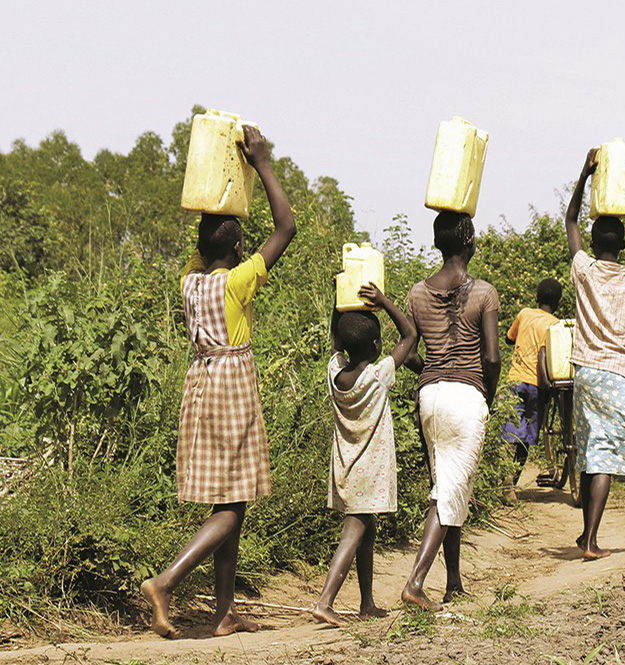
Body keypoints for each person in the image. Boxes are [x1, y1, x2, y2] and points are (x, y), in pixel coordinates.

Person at [141, 125, 296, 638]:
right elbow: (286, 227)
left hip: (200, 384)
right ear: (237, 244)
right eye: (239, 236)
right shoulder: (238, 282)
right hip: (232, 385)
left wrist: (217, 181)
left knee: (227, 501)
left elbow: (207, 238)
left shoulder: (191, 277)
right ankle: (166, 582)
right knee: (233, 506)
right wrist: (262, 164)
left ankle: (224, 610)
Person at [563, 148, 625, 560]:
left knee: (591, 449)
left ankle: (585, 533)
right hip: (618, 374)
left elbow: (570, 220)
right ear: (622, 243)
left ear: (596, 241)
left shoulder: (583, 270)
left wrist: (584, 176)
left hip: (585, 371)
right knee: (602, 454)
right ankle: (590, 541)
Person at [400, 211, 500, 611]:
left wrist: (430, 370)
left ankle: (454, 581)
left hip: (430, 397)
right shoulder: (484, 293)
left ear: (437, 243)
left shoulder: (417, 293)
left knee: (448, 485)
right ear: (471, 241)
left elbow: (407, 348)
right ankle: (415, 581)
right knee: (448, 490)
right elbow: (491, 358)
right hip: (465, 396)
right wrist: (486, 396)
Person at [312, 283, 416, 627]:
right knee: (353, 532)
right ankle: (325, 601)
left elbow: (334, 340)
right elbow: (410, 336)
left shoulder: (335, 375)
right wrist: (384, 301)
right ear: (375, 345)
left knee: (366, 531)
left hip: (345, 467)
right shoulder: (378, 375)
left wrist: (340, 300)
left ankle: (367, 602)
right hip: (369, 470)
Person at [501, 279, 562, 481]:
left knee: (510, 432)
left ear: (536, 297)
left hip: (515, 380)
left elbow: (510, 338)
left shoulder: (524, 313)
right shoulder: (555, 325)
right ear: (559, 302)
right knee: (526, 437)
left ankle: (502, 479)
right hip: (537, 386)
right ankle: (513, 476)